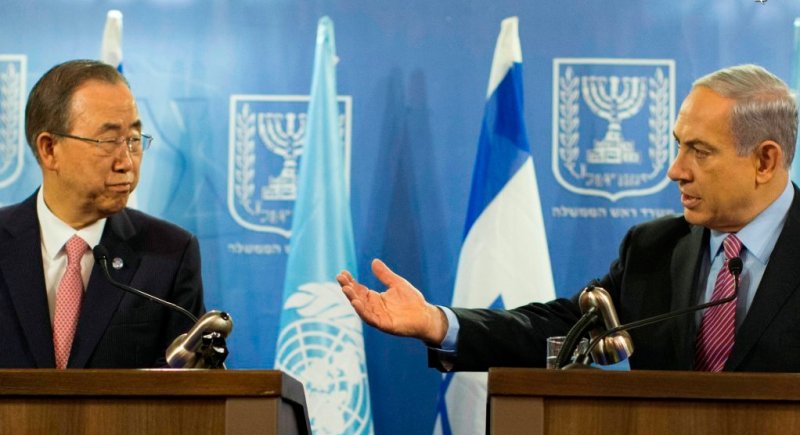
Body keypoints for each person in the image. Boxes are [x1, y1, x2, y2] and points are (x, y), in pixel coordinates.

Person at [338, 64, 800, 372]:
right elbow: (562, 329)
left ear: (764, 161)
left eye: (699, 151)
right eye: (679, 144)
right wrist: (438, 322)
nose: (675, 170)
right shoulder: (655, 249)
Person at [0, 59, 203, 368]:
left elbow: (186, 395)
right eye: (108, 141)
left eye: (134, 140)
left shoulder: (170, 255)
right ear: (49, 149)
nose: (127, 162)